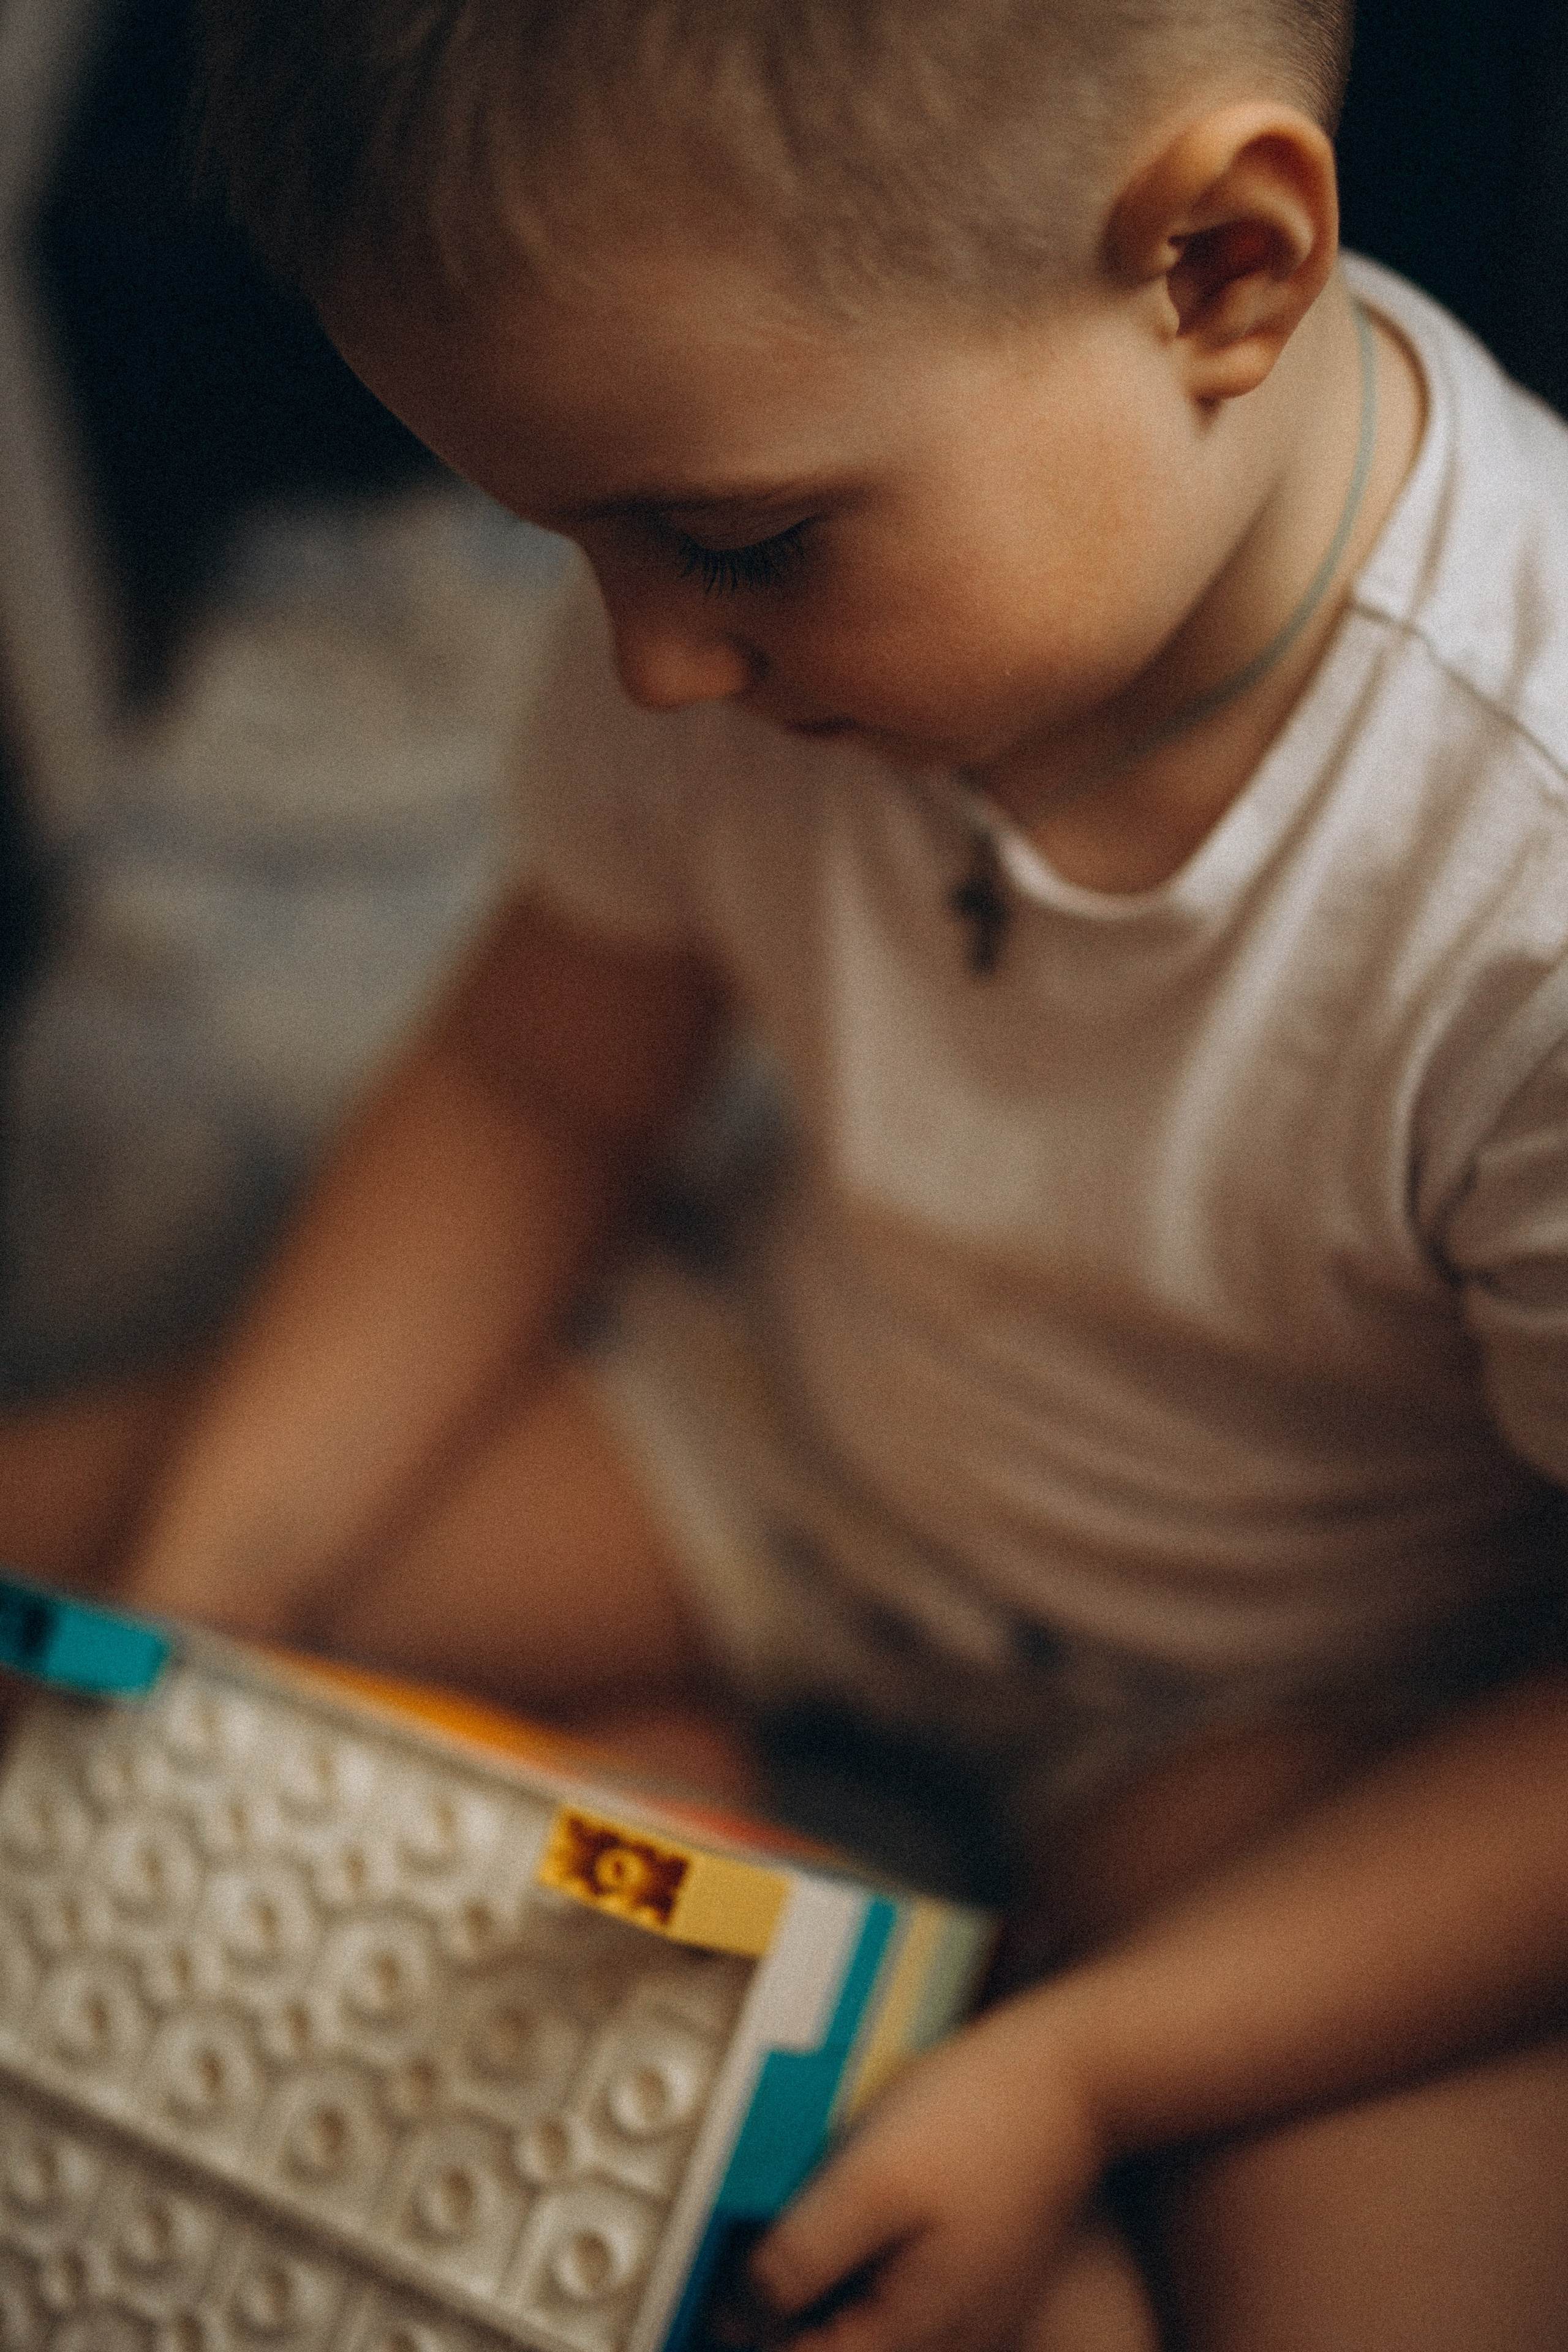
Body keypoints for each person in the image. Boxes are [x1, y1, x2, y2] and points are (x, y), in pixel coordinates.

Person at [6, 1, 1568, 2342]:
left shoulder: (1528, 883)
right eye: (568, 542)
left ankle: (786, 1902)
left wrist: (1090, 2075)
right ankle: (674, 1790)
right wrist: (215, 1587)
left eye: (733, 543)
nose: (647, 665)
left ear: (1220, 273)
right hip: (791, 1448)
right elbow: (544, 1084)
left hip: (1299, 1701)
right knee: (76, 1596)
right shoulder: (730, 626)